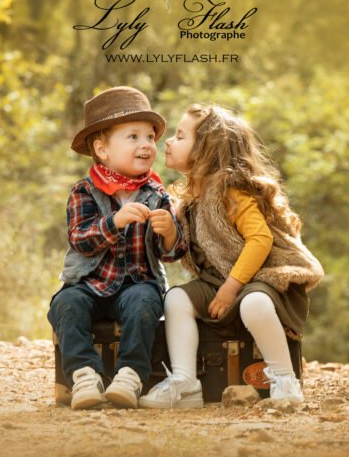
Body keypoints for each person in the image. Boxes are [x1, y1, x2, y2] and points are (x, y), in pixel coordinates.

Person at [139, 103, 324, 409]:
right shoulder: (189, 199)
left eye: (181, 136)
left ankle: (284, 379)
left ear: (206, 151)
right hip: (217, 281)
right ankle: (185, 383)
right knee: (176, 299)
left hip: (262, 278)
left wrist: (231, 287)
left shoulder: (232, 193)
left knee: (254, 304)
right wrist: (170, 233)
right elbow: (183, 248)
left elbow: (260, 240)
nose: (169, 141)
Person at [48, 86, 187, 410]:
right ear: (102, 149)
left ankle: (130, 375)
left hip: (137, 283)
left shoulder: (157, 194)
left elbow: (171, 253)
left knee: (145, 302)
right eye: (133, 136)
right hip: (89, 283)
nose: (146, 144)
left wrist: (170, 233)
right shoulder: (84, 191)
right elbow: (80, 239)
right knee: (66, 304)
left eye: (150, 137)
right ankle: (84, 375)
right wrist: (115, 221)